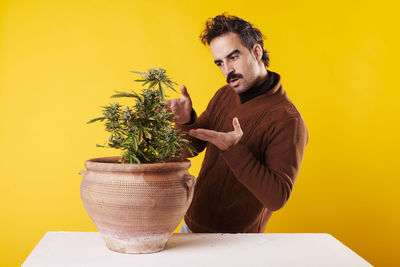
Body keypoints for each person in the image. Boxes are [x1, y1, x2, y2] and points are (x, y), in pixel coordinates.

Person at [166, 13, 308, 233]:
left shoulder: (287, 119)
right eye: (220, 63)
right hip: (191, 226)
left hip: (238, 241)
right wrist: (186, 122)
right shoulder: (224, 94)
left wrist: (234, 150)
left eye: (233, 57)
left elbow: (277, 197)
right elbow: (189, 148)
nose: (227, 71)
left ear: (256, 52)